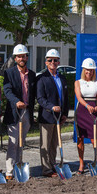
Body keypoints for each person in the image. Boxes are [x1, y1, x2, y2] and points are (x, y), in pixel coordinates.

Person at [3, 44, 36, 180]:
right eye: (19, 56)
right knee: (13, 141)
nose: (22, 58)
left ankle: (19, 165)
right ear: (15, 58)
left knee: (21, 141)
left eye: (24, 56)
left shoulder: (32, 74)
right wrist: (16, 101)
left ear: (27, 57)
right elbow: (7, 90)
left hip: (27, 112)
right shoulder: (9, 73)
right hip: (14, 112)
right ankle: (10, 171)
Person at [37, 49, 69, 177]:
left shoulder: (62, 78)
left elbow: (65, 97)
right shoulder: (42, 78)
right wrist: (51, 107)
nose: (53, 62)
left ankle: (53, 165)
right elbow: (40, 98)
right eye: (50, 60)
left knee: (54, 143)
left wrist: (65, 113)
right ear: (46, 62)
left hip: (59, 117)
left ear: (58, 62)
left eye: (55, 60)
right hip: (47, 116)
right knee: (45, 144)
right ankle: (46, 169)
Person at [74, 58, 97, 174]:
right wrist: (87, 106)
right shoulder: (78, 82)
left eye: (91, 70)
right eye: (87, 70)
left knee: (94, 139)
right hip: (82, 110)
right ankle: (81, 164)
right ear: (83, 70)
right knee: (80, 138)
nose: (89, 72)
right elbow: (79, 97)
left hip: (94, 111)